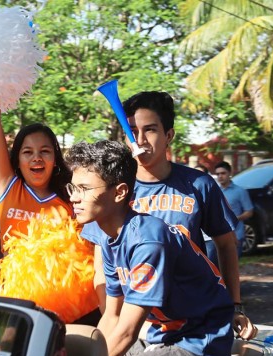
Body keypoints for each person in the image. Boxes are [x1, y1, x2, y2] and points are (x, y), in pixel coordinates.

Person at [66, 140, 234, 356]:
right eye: (73, 187)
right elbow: (112, 316)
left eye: (85, 189)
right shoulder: (108, 234)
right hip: (161, 338)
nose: (74, 197)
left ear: (120, 192)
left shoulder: (148, 241)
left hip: (198, 348)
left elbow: (127, 331)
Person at [85, 91, 256, 340]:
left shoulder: (199, 184)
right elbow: (102, 268)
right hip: (134, 324)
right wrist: (116, 322)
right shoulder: (111, 190)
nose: (139, 139)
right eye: (132, 130)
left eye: (150, 130)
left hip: (192, 325)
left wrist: (234, 306)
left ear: (169, 136)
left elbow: (226, 245)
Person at [0, 107, 72, 251]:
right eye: (27, 152)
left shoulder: (72, 199)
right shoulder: (9, 187)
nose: (37, 158)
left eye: (45, 151)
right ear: (17, 160)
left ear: (55, 159)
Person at [214, 161, 254, 258]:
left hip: (236, 235)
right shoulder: (214, 191)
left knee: (232, 268)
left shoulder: (240, 191)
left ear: (230, 173)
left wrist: (235, 218)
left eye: (223, 173)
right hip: (217, 236)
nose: (220, 176)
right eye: (218, 174)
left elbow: (249, 212)